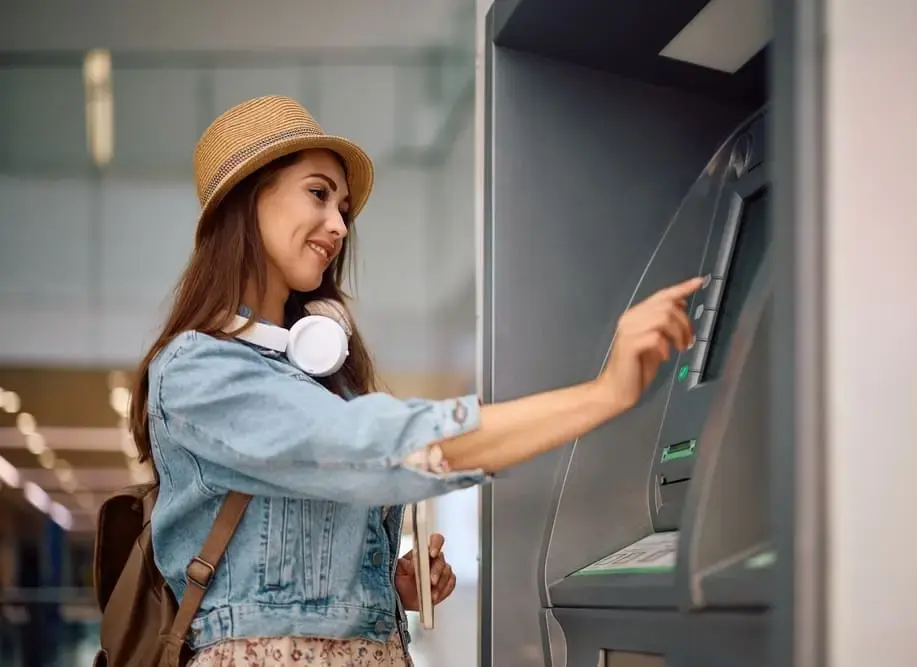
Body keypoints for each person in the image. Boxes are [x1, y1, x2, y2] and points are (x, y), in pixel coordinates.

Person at [129, 95, 704, 667]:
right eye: (318, 193)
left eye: (343, 209)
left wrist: (385, 587)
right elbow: (371, 446)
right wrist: (604, 395)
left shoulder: (321, 381)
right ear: (248, 198)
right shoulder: (198, 370)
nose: (338, 226)